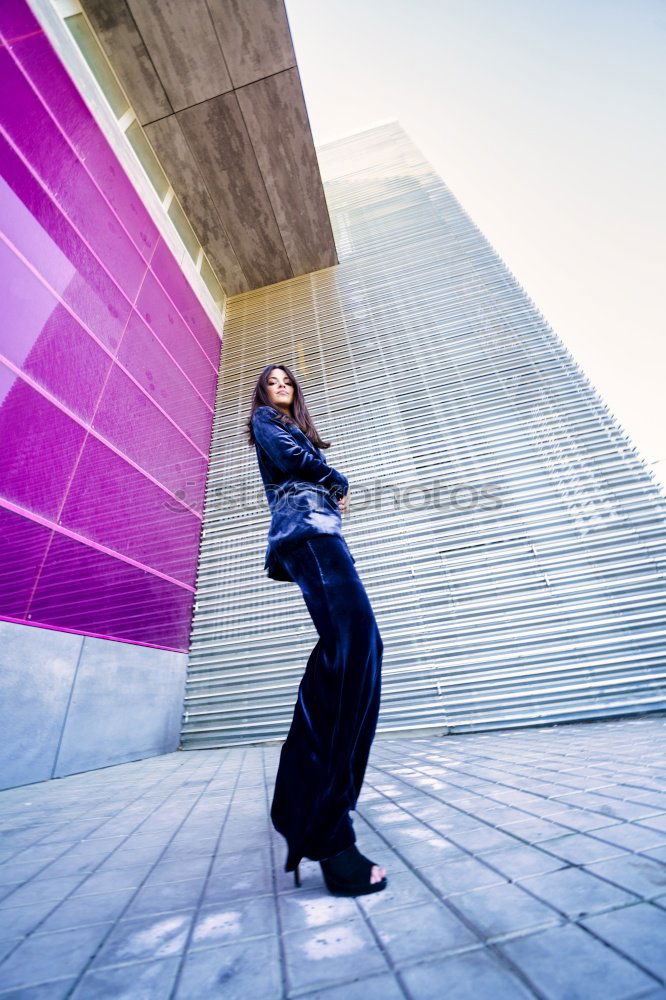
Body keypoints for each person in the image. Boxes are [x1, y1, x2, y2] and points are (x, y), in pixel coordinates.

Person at [247, 363, 387, 896]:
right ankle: (328, 836)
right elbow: (292, 462)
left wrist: (327, 482)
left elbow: (302, 458)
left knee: (353, 651)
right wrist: (336, 480)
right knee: (356, 648)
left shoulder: (296, 429)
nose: (280, 387)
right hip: (306, 533)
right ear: (263, 393)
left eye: (287, 382)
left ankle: (303, 799)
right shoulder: (265, 420)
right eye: (272, 381)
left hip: (320, 535)